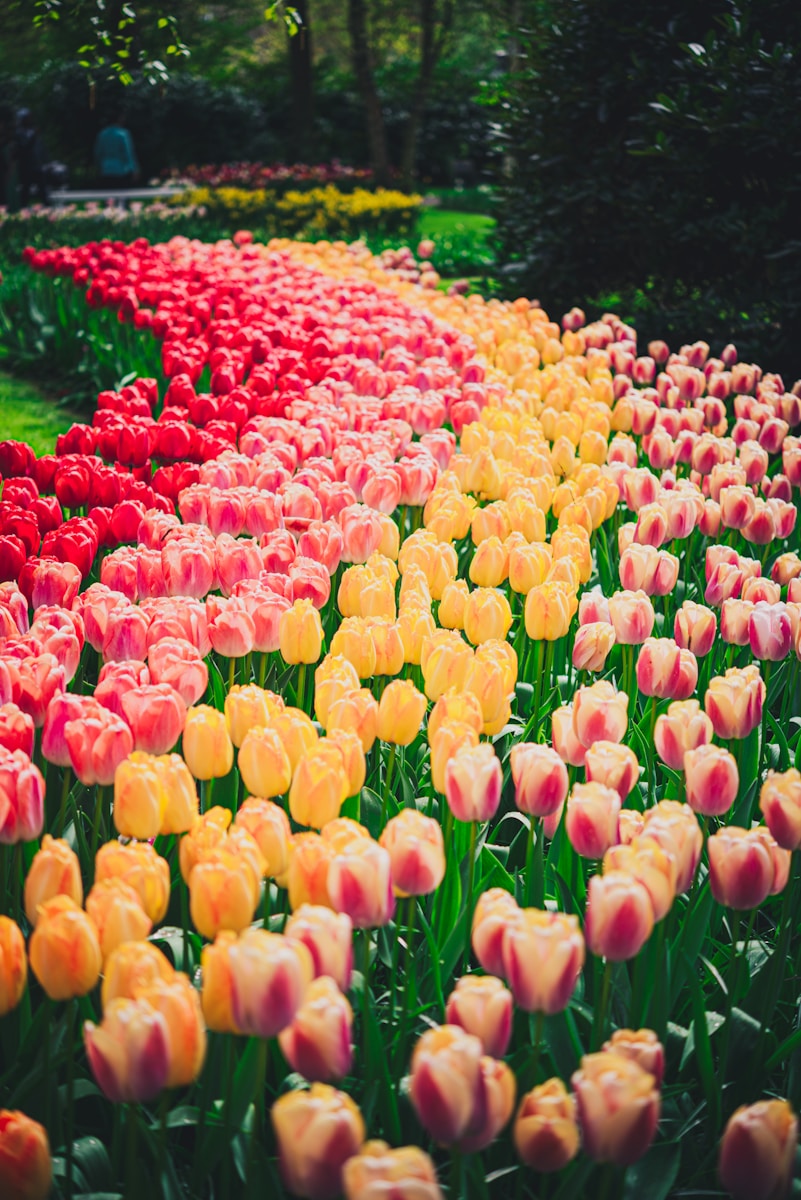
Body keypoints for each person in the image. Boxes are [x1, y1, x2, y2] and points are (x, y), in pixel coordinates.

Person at [93, 111, 139, 189]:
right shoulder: (123, 134)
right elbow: (128, 153)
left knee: (108, 196)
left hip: (106, 169)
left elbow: (98, 153)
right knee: (122, 195)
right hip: (121, 170)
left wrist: (98, 167)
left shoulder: (103, 134)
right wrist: (134, 169)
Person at [14, 108, 48, 207]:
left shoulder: (33, 131)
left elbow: (40, 148)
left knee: (42, 188)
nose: (30, 120)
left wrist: (45, 160)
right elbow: (24, 149)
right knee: (26, 189)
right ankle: (22, 209)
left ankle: (47, 208)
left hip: (37, 165)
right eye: (27, 118)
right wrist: (33, 137)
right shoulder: (19, 133)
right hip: (26, 166)